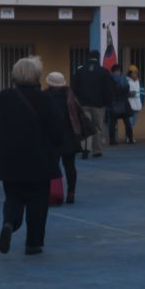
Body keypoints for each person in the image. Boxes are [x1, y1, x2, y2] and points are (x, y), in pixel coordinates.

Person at [0, 58, 65, 256]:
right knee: (38, 202)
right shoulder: (45, 99)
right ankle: (33, 243)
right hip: (39, 161)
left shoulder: (3, 97)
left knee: (13, 197)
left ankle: (9, 223)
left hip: (9, 160)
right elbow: (58, 131)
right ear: (37, 76)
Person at [43, 71, 84, 205]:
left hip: (50, 137)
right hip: (69, 136)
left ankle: (52, 193)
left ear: (49, 82)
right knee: (70, 166)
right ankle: (71, 193)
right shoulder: (70, 95)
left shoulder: (44, 97)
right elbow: (78, 113)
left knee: (51, 166)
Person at [72, 50, 114, 158]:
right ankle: (97, 151)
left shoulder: (80, 71)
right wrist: (107, 103)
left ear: (88, 57)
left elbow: (74, 88)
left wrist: (76, 103)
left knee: (85, 127)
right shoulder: (104, 71)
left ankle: (85, 149)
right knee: (97, 127)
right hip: (98, 105)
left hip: (83, 104)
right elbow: (108, 90)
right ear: (98, 58)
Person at [107, 64, 134, 146]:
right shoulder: (124, 79)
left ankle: (112, 141)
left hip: (114, 104)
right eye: (118, 71)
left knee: (112, 123)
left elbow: (109, 92)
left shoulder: (109, 79)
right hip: (124, 104)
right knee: (127, 123)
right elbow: (127, 90)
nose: (118, 73)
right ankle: (130, 139)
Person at [126, 65, 145, 135]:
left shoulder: (140, 83)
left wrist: (142, 103)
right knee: (130, 123)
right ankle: (129, 137)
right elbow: (123, 92)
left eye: (136, 73)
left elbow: (142, 94)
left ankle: (129, 137)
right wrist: (129, 94)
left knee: (133, 123)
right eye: (133, 73)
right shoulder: (126, 81)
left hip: (137, 105)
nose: (135, 74)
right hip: (129, 106)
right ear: (129, 73)